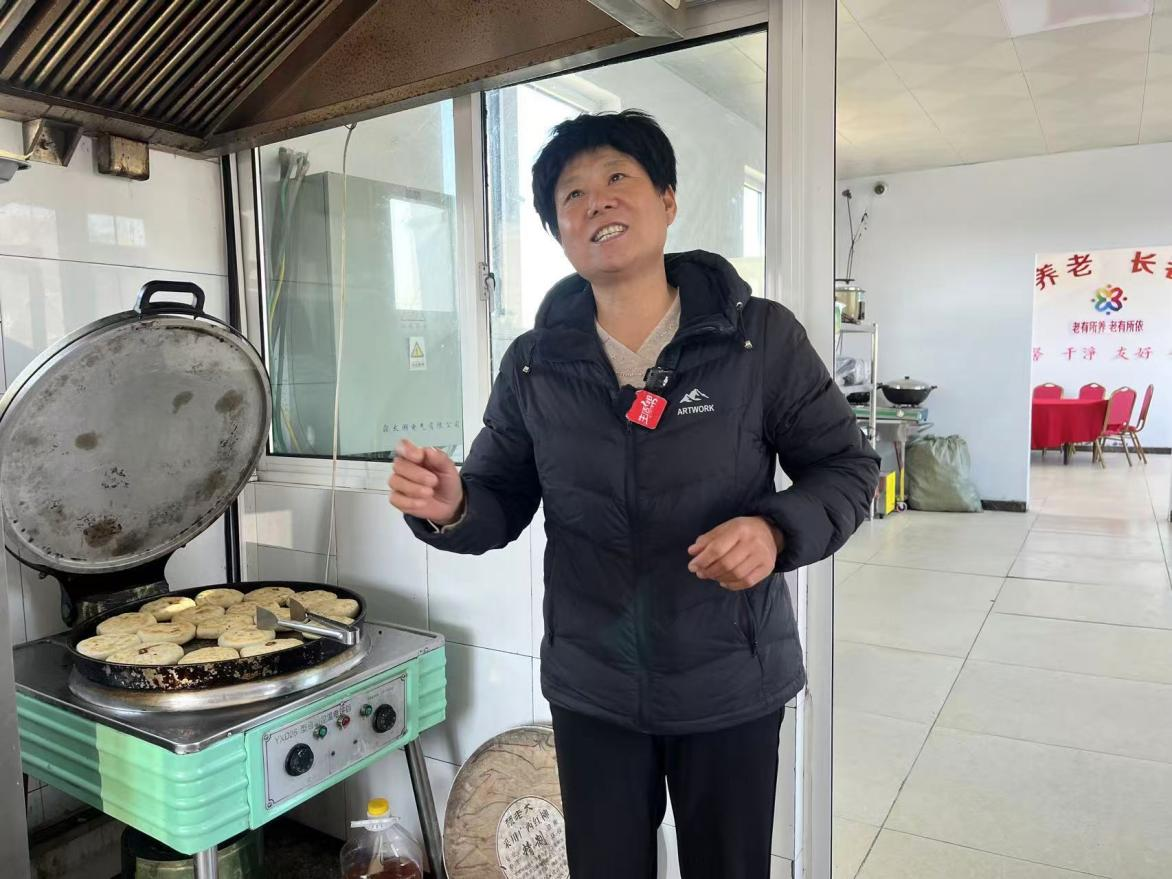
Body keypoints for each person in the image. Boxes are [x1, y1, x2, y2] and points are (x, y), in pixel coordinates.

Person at [389, 109, 878, 879]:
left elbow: (847, 467)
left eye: (618, 177)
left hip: (730, 680)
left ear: (668, 200)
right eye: (573, 195)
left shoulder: (757, 339)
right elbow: (498, 496)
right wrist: (453, 506)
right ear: (557, 230)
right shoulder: (534, 364)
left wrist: (775, 529)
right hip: (596, 688)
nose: (598, 202)